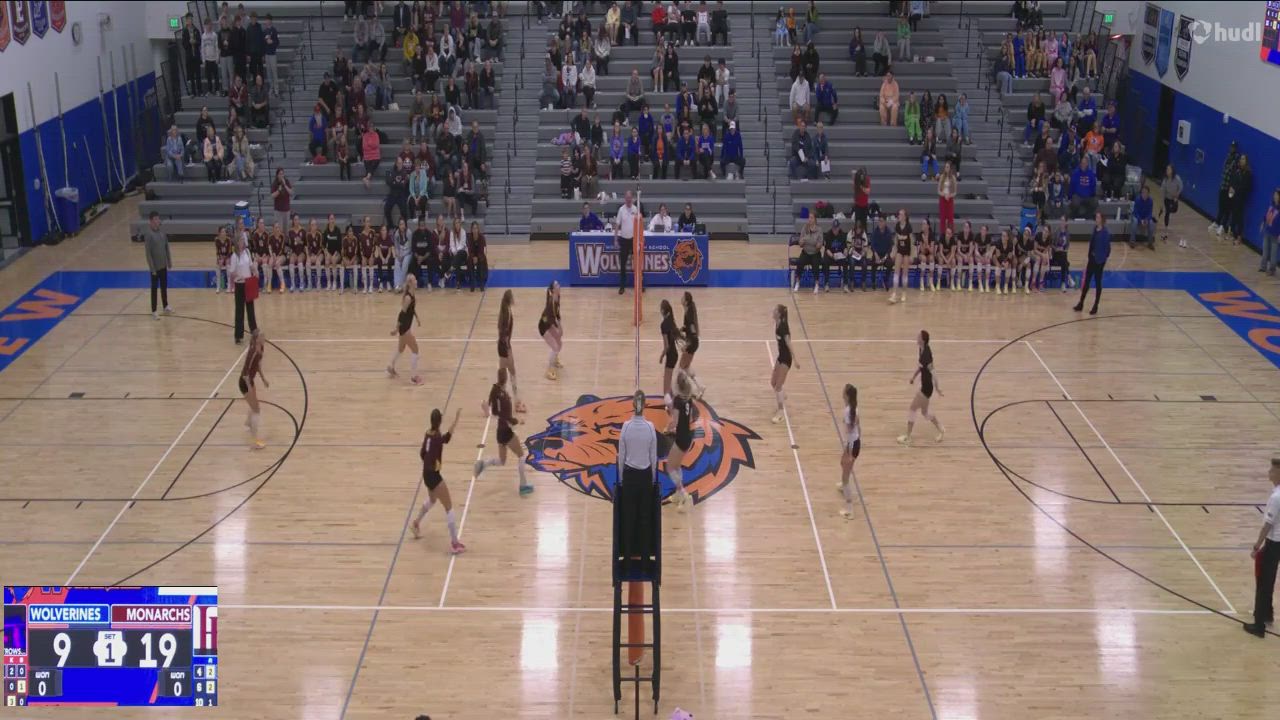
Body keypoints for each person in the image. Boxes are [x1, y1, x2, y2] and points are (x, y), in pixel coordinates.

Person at [409, 407, 466, 554]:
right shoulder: (436, 437)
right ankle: (454, 543)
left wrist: (428, 464)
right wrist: (456, 420)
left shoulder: (428, 434)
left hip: (426, 474)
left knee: (433, 499)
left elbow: (422, 453)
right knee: (449, 506)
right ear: (440, 421)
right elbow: (446, 439)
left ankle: (416, 523)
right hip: (434, 475)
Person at [474, 367, 534, 495]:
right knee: (521, 456)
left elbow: (494, 410)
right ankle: (523, 486)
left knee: (502, 461)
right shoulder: (504, 398)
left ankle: (484, 463)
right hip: (506, 432)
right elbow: (507, 418)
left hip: (499, 432)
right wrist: (518, 421)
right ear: (506, 378)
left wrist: (487, 410)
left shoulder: (495, 390)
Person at [1244, 458, 1280, 638]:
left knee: (1263, 581)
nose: (1269, 472)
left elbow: (1268, 525)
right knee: (1269, 580)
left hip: (1274, 543)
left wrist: (1257, 546)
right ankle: (1267, 614)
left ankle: (1259, 625)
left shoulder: (1276, 497)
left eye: (1272, 470)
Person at [897, 330, 945, 446]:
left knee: (912, 408)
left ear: (922, 340)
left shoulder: (926, 355)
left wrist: (938, 388)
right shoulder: (921, 349)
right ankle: (941, 429)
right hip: (925, 386)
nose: (916, 337)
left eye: (918, 336)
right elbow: (920, 367)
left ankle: (908, 437)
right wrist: (913, 377)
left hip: (926, 388)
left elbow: (934, 373)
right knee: (925, 413)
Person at [387, 275, 424, 385]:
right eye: (414, 280)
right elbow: (402, 314)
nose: (416, 281)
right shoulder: (408, 298)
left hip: (406, 326)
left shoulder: (412, 295)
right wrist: (396, 329)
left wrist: (417, 318)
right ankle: (413, 377)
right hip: (405, 327)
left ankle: (391, 367)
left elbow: (411, 309)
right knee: (415, 350)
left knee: (401, 349)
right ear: (410, 283)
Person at [1073, 212, 1111, 315]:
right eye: (1096, 217)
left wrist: (1102, 259)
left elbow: (1108, 249)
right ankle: (1081, 303)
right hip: (1092, 259)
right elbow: (1092, 244)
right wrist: (1089, 256)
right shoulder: (1095, 229)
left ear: (1102, 219)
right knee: (1086, 282)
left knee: (1098, 283)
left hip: (1099, 262)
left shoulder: (1105, 233)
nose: (1096, 219)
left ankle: (1096, 305)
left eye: (1098, 217)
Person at [239, 329, 270, 450]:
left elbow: (258, 366)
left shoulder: (261, 348)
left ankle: (248, 423)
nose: (264, 337)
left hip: (250, 381)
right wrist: (250, 388)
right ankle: (254, 442)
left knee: (254, 405)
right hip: (244, 382)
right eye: (262, 336)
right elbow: (246, 373)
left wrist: (263, 379)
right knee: (256, 409)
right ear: (257, 339)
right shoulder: (253, 352)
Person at [140, 212, 173, 320]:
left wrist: (169, 261)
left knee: (164, 286)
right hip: (155, 268)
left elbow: (166, 247)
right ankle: (154, 311)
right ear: (150, 221)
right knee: (154, 289)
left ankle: (165, 305)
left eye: (158, 219)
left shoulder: (162, 233)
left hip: (163, 266)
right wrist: (152, 268)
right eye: (155, 219)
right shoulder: (148, 235)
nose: (157, 221)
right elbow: (148, 253)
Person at [770, 305, 798, 424]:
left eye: (775, 310)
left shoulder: (783, 327)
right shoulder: (777, 323)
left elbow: (789, 343)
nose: (773, 311)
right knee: (773, 382)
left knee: (778, 386)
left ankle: (780, 413)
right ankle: (782, 395)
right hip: (780, 357)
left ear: (779, 314)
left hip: (786, 359)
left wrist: (795, 359)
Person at [229, 231, 258, 344]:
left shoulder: (247, 252)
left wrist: (255, 271)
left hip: (248, 283)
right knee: (239, 310)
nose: (243, 242)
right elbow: (232, 272)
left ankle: (253, 329)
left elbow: (250, 265)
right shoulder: (234, 256)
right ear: (237, 242)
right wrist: (238, 276)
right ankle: (238, 335)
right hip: (240, 285)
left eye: (243, 240)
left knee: (250, 308)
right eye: (241, 240)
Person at [838, 384, 861, 519]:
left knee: (845, 478)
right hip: (853, 443)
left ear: (846, 395)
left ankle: (850, 510)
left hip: (852, 445)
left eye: (843, 391)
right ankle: (844, 487)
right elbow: (858, 427)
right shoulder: (853, 408)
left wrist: (850, 454)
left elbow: (851, 433)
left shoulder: (848, 412)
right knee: (842, 463)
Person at [1210, 141, 1241, 237]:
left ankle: (1223, 226)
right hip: (1223, 186)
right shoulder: (1228, 157)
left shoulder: (1236, 159)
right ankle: (1217, 222)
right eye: (1231, 146)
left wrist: (1232, 187)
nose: (1232, 148)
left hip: (1229, 188)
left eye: (1233, 147)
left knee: (1227, 208)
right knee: (1221, 206)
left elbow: (1233, 173)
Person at [615, 191, 640, 295]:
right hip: (624, 240)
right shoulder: (621, 210)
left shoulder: (636, 209)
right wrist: (615, 239)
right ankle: (622, 286)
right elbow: (617, 225)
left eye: (630, 198)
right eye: (627, 198)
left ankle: (639, 285)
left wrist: (639, 240)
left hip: (634, 240)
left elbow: (639, 224)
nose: (628, 199)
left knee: (637, 263)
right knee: (623, 264)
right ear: (625, 199)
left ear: (632, 198)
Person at [538, 281, 563, 380]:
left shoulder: (557, 296)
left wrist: (560, 326)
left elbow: (557, 313)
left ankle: (555, 360)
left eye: (558, 284)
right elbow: (548, 319)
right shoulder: (551, 302)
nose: (559, 286)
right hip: (544, 326)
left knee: (559, 343)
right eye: (557, 285)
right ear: (553, 290)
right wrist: (557, 328)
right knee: (555, 347)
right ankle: (549, 371)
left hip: (549, 323)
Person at [794, 214, 823, 293]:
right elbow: (800, 244)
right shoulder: (804, 228)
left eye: (811, 218)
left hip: (815, 253)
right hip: (806, 252)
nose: (809, 219)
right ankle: (797, 282)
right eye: (809, 218)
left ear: (815, 219)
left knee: (816, 264)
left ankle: (816, 284)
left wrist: (815, 243)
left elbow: (819, 245)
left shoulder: (819, 229)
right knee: (800, 262)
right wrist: (802, 241)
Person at [889, 209, 913, 304]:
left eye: (901, 214)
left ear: (905, 217)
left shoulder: (909, 227)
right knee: (896, 272)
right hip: (899, 250)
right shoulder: (897, 226)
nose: (899, 216)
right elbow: (896, 240)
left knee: (905, 273)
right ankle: (894, 293)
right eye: (899, 214)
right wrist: (893, 252)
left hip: (907, 252)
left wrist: (911, 255)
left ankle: (904, 292)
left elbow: (912, 243)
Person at [1160, 164, 1183, 247]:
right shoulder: (1165, 180)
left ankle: (1169, 212)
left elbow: (1181, 187)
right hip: (1167, 198)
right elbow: (1162, 191)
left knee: (1174, 210)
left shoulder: (1177, 178)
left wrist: (1177, 195)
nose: (1167, 171)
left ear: (1172, 171)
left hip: (1174, 198)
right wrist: (1161, 204)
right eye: (1167, 169)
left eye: (1169, 169)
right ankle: (1165, 230)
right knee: (1167, 212)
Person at [1128, 185, 1155, 250]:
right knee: (1135, 222)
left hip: (1145, 217)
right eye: (1143, 192)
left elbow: (1150, 213)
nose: (1144, 194)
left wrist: (1147, 219)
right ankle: (1132, 241)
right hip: (1137, 216)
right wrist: (1141, 220)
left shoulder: (1150, 201)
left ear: (1148, 193)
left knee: (1151, 224)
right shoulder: (1137, 199)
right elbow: (1136, 212)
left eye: (1146, 193)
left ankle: (1150, 243)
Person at [1261, 189, 1280, 276]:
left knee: (1273, 253)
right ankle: (1263, 266)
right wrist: (1263, 223)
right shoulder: (1271, 205)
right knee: (1265, 250)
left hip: (1275, 234)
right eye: (1274, 194)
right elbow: (1266, 215)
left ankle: (1272, 269)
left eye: (1277, 195)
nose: (1275, 196)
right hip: (1267, 231)